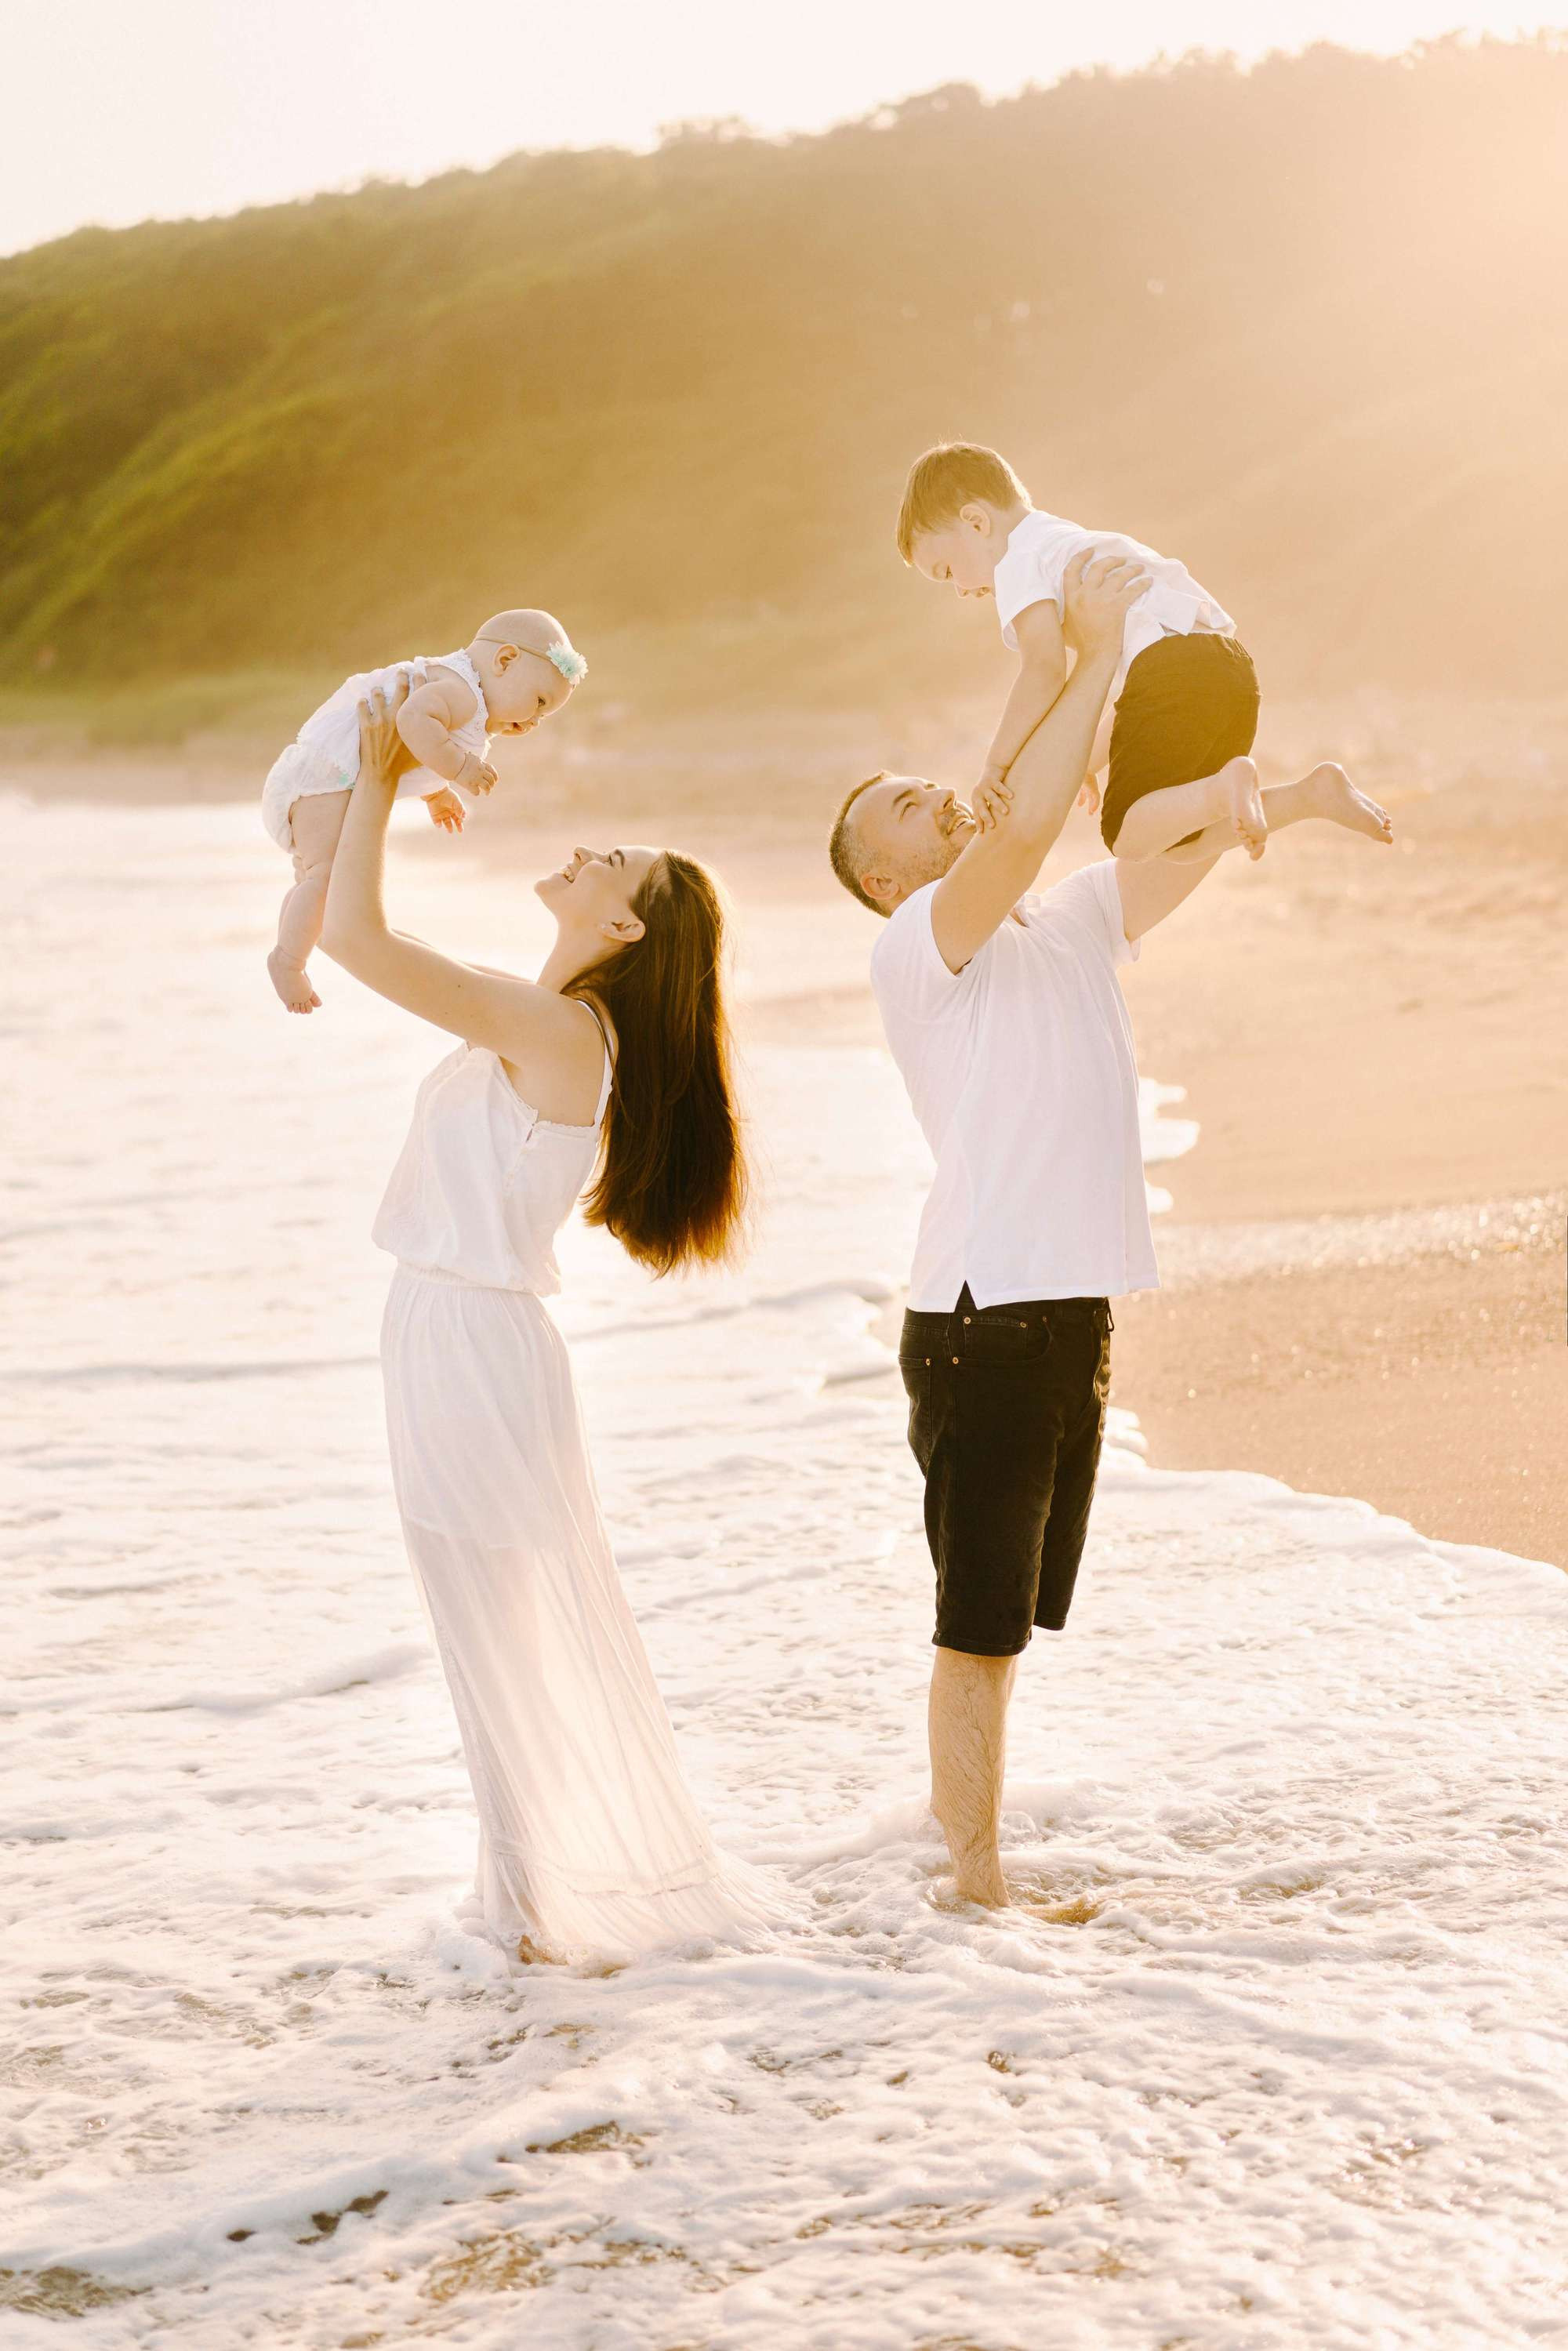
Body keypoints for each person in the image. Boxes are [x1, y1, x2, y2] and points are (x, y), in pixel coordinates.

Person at [828, 550, 1392, 1912]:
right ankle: (974, 1886)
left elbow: (1167, 854)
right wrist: (1083, 658)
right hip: (984, 1317)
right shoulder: (918, 947)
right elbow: (1015, 828)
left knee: (1009, 1623)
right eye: (902, 803)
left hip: (1064, 1312)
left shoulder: (1061, 922)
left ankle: (965, 1859)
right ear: (883, 871)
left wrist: (1270, 786)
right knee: (977, 1630)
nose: (931, 794)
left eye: (919, 780)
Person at [320, 673, 781, 1968]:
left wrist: (380, 769)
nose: (581, 853)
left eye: (608, 860)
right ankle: (517, 1910)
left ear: (625, 923)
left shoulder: (558, 1029)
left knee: (490, 1639)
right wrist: (391, 780)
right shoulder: (553, 1026)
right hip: (458, 1338)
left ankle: (523, 1922)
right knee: (491, 1637)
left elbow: (356, 940)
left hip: (469, 1343)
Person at [895, 439, 1392, 866]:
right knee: (1179, 840)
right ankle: (1312, 794)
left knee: (1126, 836)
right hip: (1229, 666)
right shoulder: (1064, 540)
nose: (959, 590)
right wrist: (1087, 759)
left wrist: (995, 767)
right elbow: (1136, 683)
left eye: (945, 570)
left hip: (1172, 671)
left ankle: (1228, 786)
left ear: (976, 522)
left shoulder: (1018, 563)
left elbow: (1044, 670)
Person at [263, 609, 586, 1013]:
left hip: (327, 782)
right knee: (323, 880)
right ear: (505, 661)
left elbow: (411, 745)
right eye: (539, 702)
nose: (536, 719)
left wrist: (435, 792)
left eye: (544, 714)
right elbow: (412, 719)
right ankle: (288, 961)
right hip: (325, 779)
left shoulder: (459, 692)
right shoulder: (462, 692)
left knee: (316, 883)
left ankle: (293, 946)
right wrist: (460, 768)